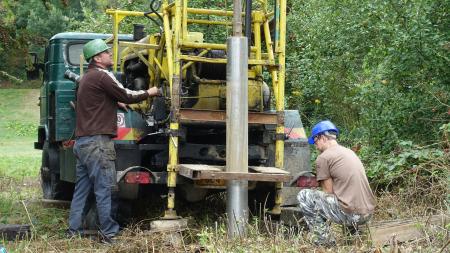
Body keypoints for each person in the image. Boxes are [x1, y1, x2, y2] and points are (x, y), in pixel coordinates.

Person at [67, 39, 160, 243]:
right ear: (98, 58)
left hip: (82, 144)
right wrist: (151, 92)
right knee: (105, 188)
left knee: (81, 190)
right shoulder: (102, 76)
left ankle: (73, 231)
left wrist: (114, 100)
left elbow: (97, 100)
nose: (110, 55)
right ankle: (109, 234)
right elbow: (128, 95)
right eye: (107, 53)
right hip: (98, 145)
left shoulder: (86, 78)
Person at [297, 120, 376, 247]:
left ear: (322, 138)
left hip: (352, 215)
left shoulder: (323, 157)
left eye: (315, 141)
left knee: (304, 195)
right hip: (367, 214)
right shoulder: (349, 152)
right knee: (343, 199)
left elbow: (329, 193)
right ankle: (351, 239)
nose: (315, 146)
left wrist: (316, 188)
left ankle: (325, 243)